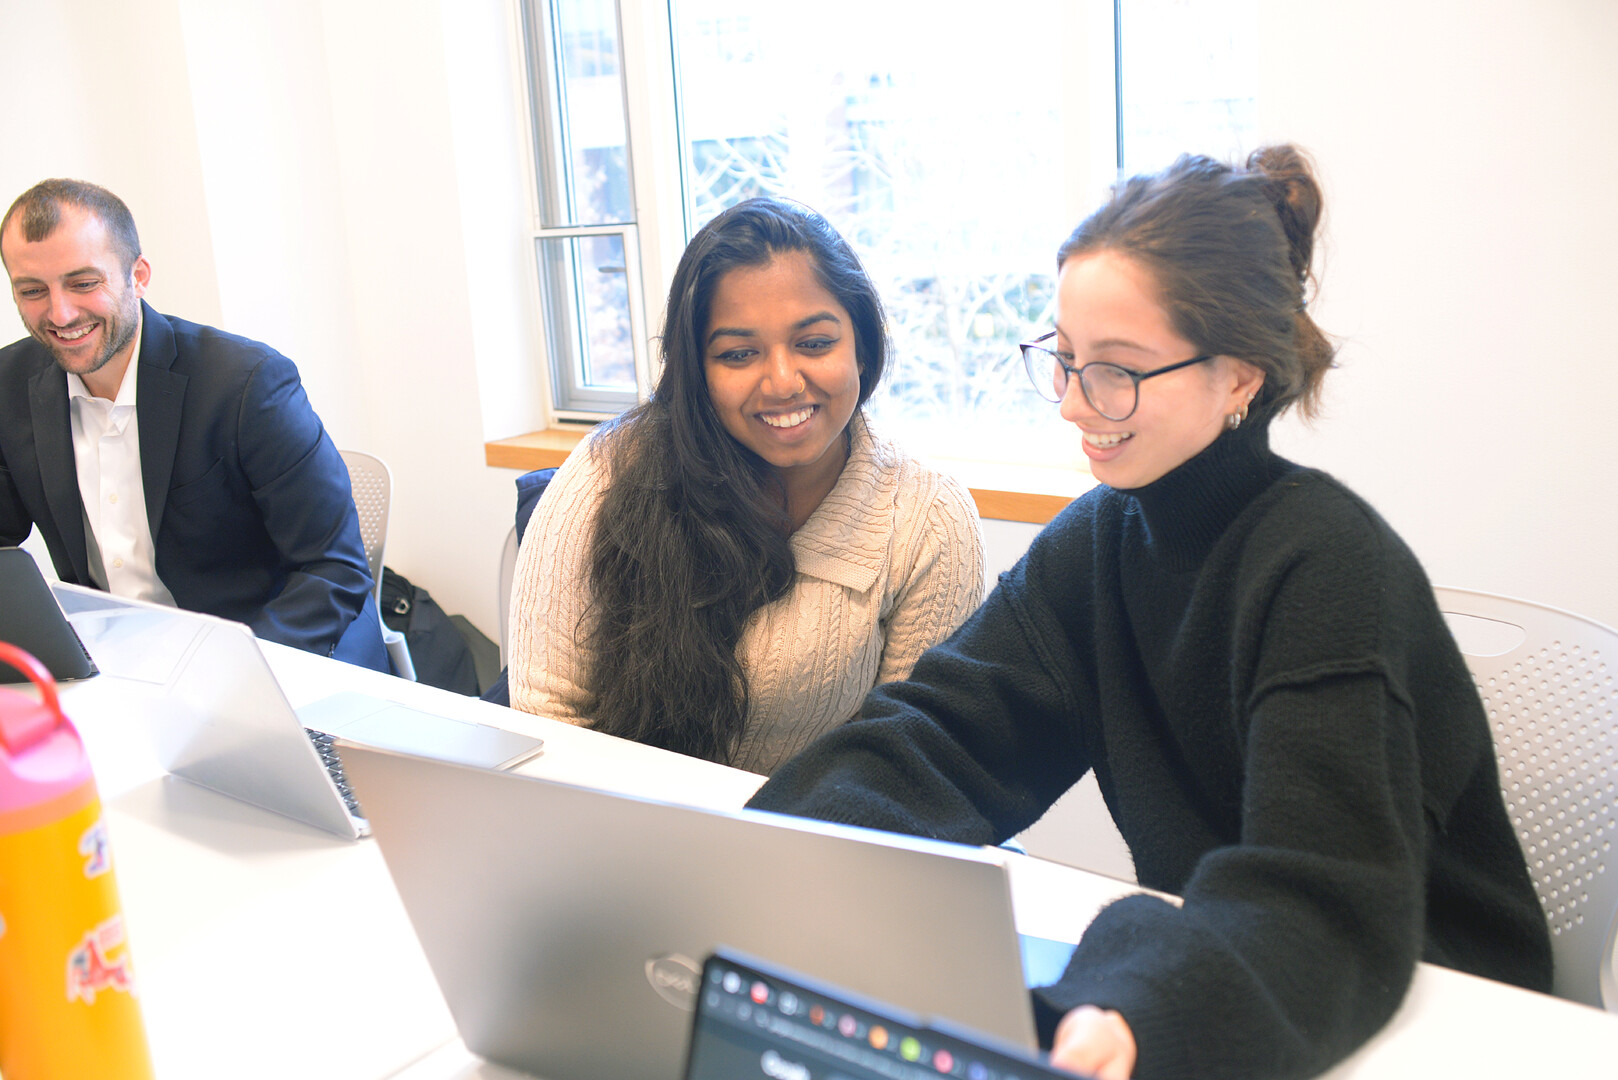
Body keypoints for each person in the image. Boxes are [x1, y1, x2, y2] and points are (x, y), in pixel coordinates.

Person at [745, 148, 1552, 1080]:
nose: (1074, 405)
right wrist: (764, 857)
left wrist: (1144, 1007)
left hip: (1437, 1008)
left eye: (1117, 371)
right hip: (1247, 971)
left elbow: (1317, 896)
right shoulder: (1101, 539)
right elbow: (941, 739)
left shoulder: (1328, 567)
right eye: (1064, 359)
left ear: (1240, 377)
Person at [507, 197, 984, 773]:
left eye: (814, 343)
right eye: (738, 354)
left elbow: (908, 764)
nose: (783, 382)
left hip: (819, 826)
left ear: (861, 346)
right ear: (696, 371)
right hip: (618, 817)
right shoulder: (607, 472)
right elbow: (547, 723)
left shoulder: (929, 517)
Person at [0, 179, 387, 671]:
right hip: (114, 668)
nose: (60, 313)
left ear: (138, 276)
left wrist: (230, 675)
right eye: (33, 291)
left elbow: (333, 569)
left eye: (83, 283)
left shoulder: (246, 383)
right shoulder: (9, 385)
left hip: (272, 661)